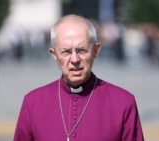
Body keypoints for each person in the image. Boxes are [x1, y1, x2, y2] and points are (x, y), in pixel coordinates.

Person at [13, 14, 144, 141]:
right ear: (54, 54)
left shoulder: (123, 103)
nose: (74, 59)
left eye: (82, 50)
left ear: (96, 51)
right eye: (66, 51)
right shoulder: (33, 103)